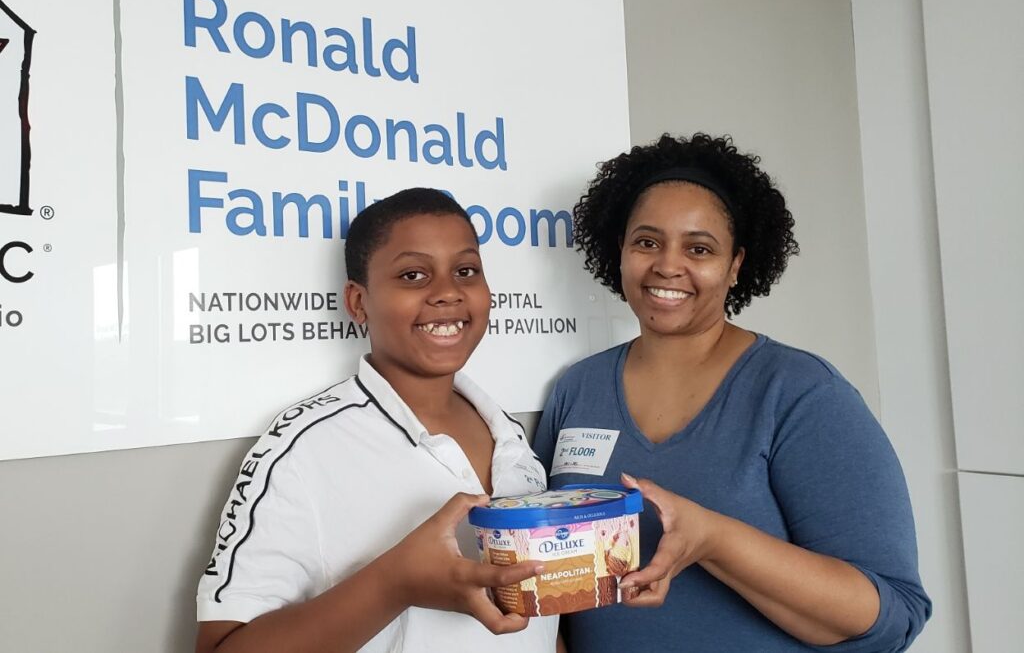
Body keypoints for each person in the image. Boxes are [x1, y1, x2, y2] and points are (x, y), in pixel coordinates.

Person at [533, 134, 931, 652]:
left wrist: (713, 539)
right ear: (621, 250)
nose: (667, 266)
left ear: (736, 264)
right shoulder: (577, 389)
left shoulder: (800, 395)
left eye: (699, 248)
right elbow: (548, 576)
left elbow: (894, 615)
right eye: (647, 242)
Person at [195, 188, 558, 653]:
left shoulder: (509, 434)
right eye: (413, 275)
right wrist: (395, 583)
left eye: (465, 271)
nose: (448, 292)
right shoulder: (303, 450)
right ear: (358, 301)